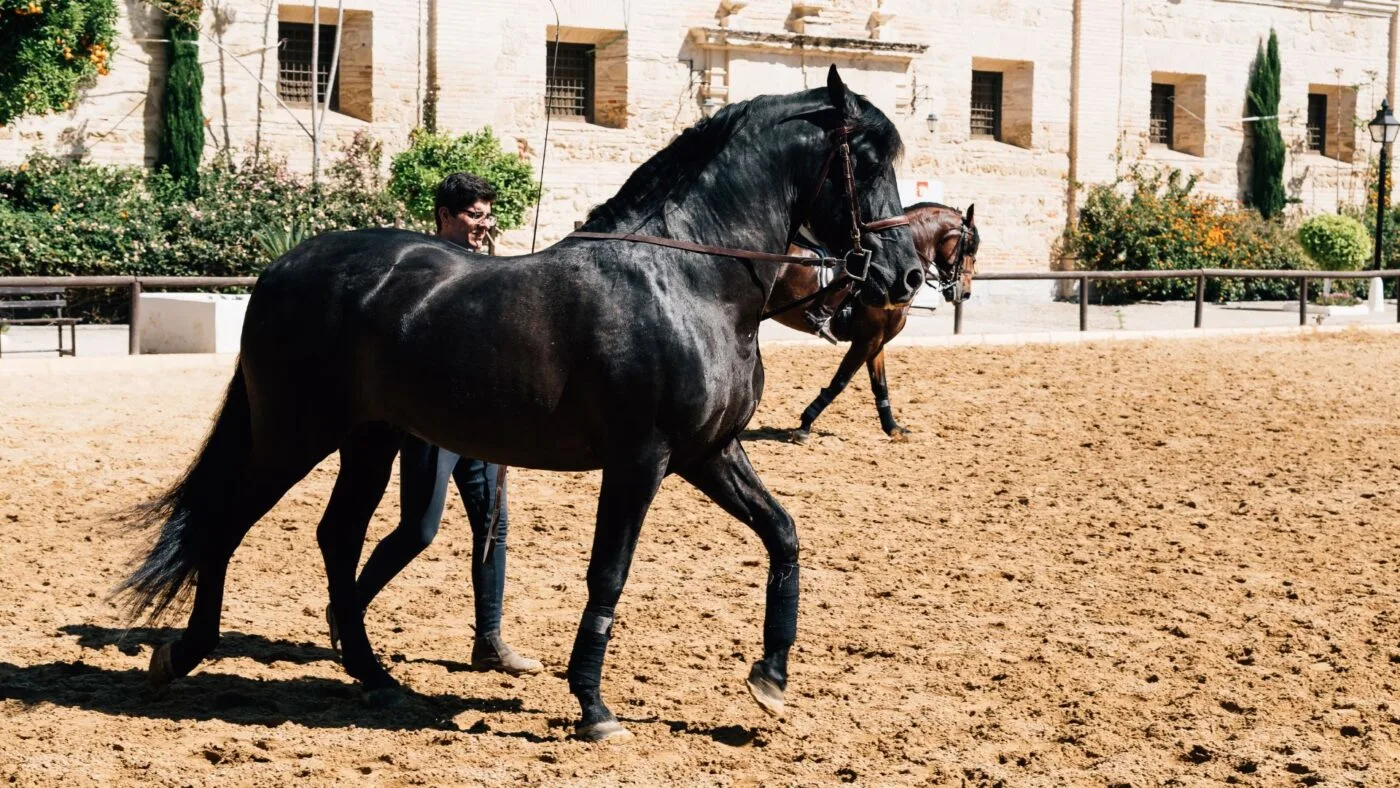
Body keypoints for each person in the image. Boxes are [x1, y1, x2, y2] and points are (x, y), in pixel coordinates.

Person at [347, 172, 541, 675]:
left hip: (488, 422)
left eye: (486, 214)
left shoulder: (490, 267)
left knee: (493, 529)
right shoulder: (423, 268)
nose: (484, 224)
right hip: (435, 422)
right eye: (474, 215)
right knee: (419, 529)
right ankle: (348, 605)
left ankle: (490, 641)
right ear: (444, 216)